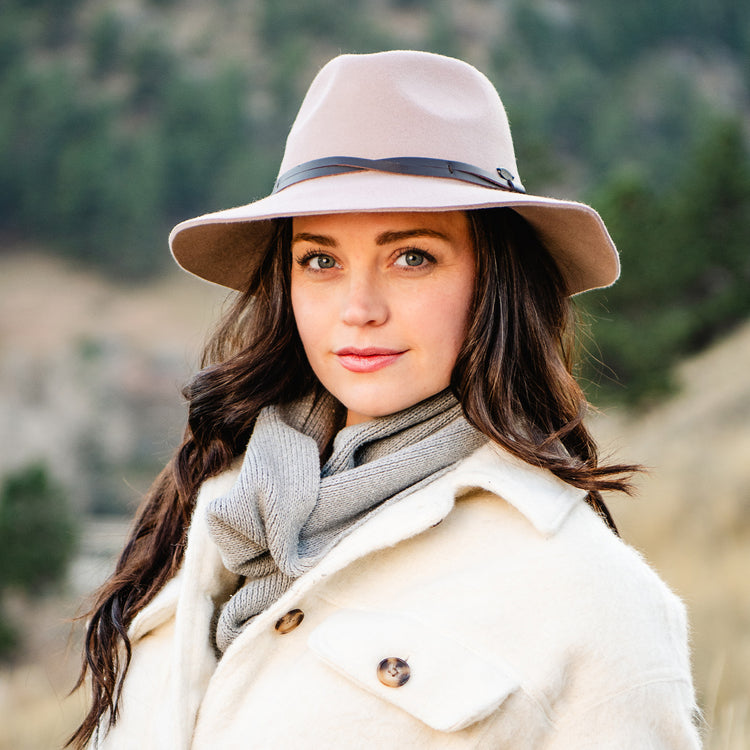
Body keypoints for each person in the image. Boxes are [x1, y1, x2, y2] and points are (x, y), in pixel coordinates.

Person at [70, 50, 701, 748]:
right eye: (321, 260)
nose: (358, 308)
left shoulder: (589, 596)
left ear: (493, 281)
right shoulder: (209, 513)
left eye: (413, 257)